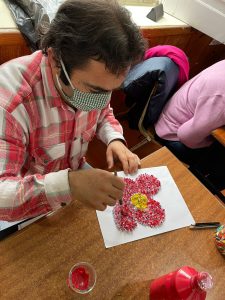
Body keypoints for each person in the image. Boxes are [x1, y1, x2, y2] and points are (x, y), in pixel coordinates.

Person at [0, 0, 146, 221]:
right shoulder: (10, 102)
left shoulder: (92, 83)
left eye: (110, 91)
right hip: (28, 206)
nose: (103, 99)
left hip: (74, 183)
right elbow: (3, 197)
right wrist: (69, 184)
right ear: (57, 60)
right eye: (94, 90)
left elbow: (103, 111)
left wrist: (114, 138)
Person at [155, 60, 225, 190]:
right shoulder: (222, 96)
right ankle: (199, 191)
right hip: (172, 135)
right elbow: (187, 137)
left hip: (179, 120)